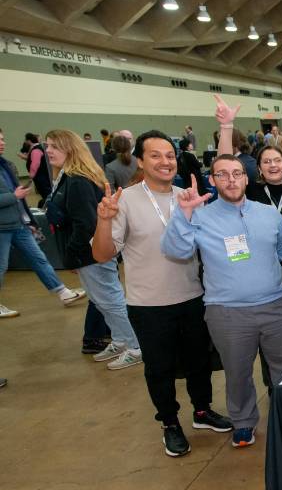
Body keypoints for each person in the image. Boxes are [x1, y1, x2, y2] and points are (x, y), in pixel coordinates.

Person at [91, 130, 231, 457]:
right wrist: (103, 221)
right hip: (149, 304)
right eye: (155, 155)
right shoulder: (124, 200)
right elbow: (101, 255)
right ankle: (169, 423)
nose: (165, 161)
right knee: (159, 368)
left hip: (193, 296)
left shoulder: (188, 196)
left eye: (169, 155)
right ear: (140, 160)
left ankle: (202, 411)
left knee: (198, 361)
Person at [161, 154, 282, 449]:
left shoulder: (269, 213)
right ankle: (244, 423)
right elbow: (177, 250)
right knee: (237, 374)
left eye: (237, 173)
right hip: (228, 312)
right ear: (212, 180)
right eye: (222, 174)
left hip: (276, 307)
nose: (231, 179)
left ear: (247, 178)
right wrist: (182, 214)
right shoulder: (200, 216)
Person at [45, 129, 142, 370]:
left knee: (110, 300)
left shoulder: (77, 181)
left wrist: (74, 255)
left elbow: (86, 225)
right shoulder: (68, 177)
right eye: (47, 146)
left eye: (54, 147)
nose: (48, 151)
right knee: (102, 301)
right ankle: (121, 340)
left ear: (69, 148)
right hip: (86, 255)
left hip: (91, 254)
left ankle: (136, 345)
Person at [0, 129, 86, 318]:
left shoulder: (5, 165)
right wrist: (13, 196)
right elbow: (15, 195)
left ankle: (63, 292)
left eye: (3, 139)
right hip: (2, 227)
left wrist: (28, 219)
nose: (3, 143)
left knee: (38, 258)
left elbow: (19, 196)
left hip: (18, 224)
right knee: (1, 265)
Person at [24, 133, 53, 205]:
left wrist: (31, 177)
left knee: (46, 195)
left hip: (41, 177)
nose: (25, 142)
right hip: (43, 176)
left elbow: (35, 164)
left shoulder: (36, 150)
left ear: (29, 141)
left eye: (26, 140)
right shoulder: (39, 148)